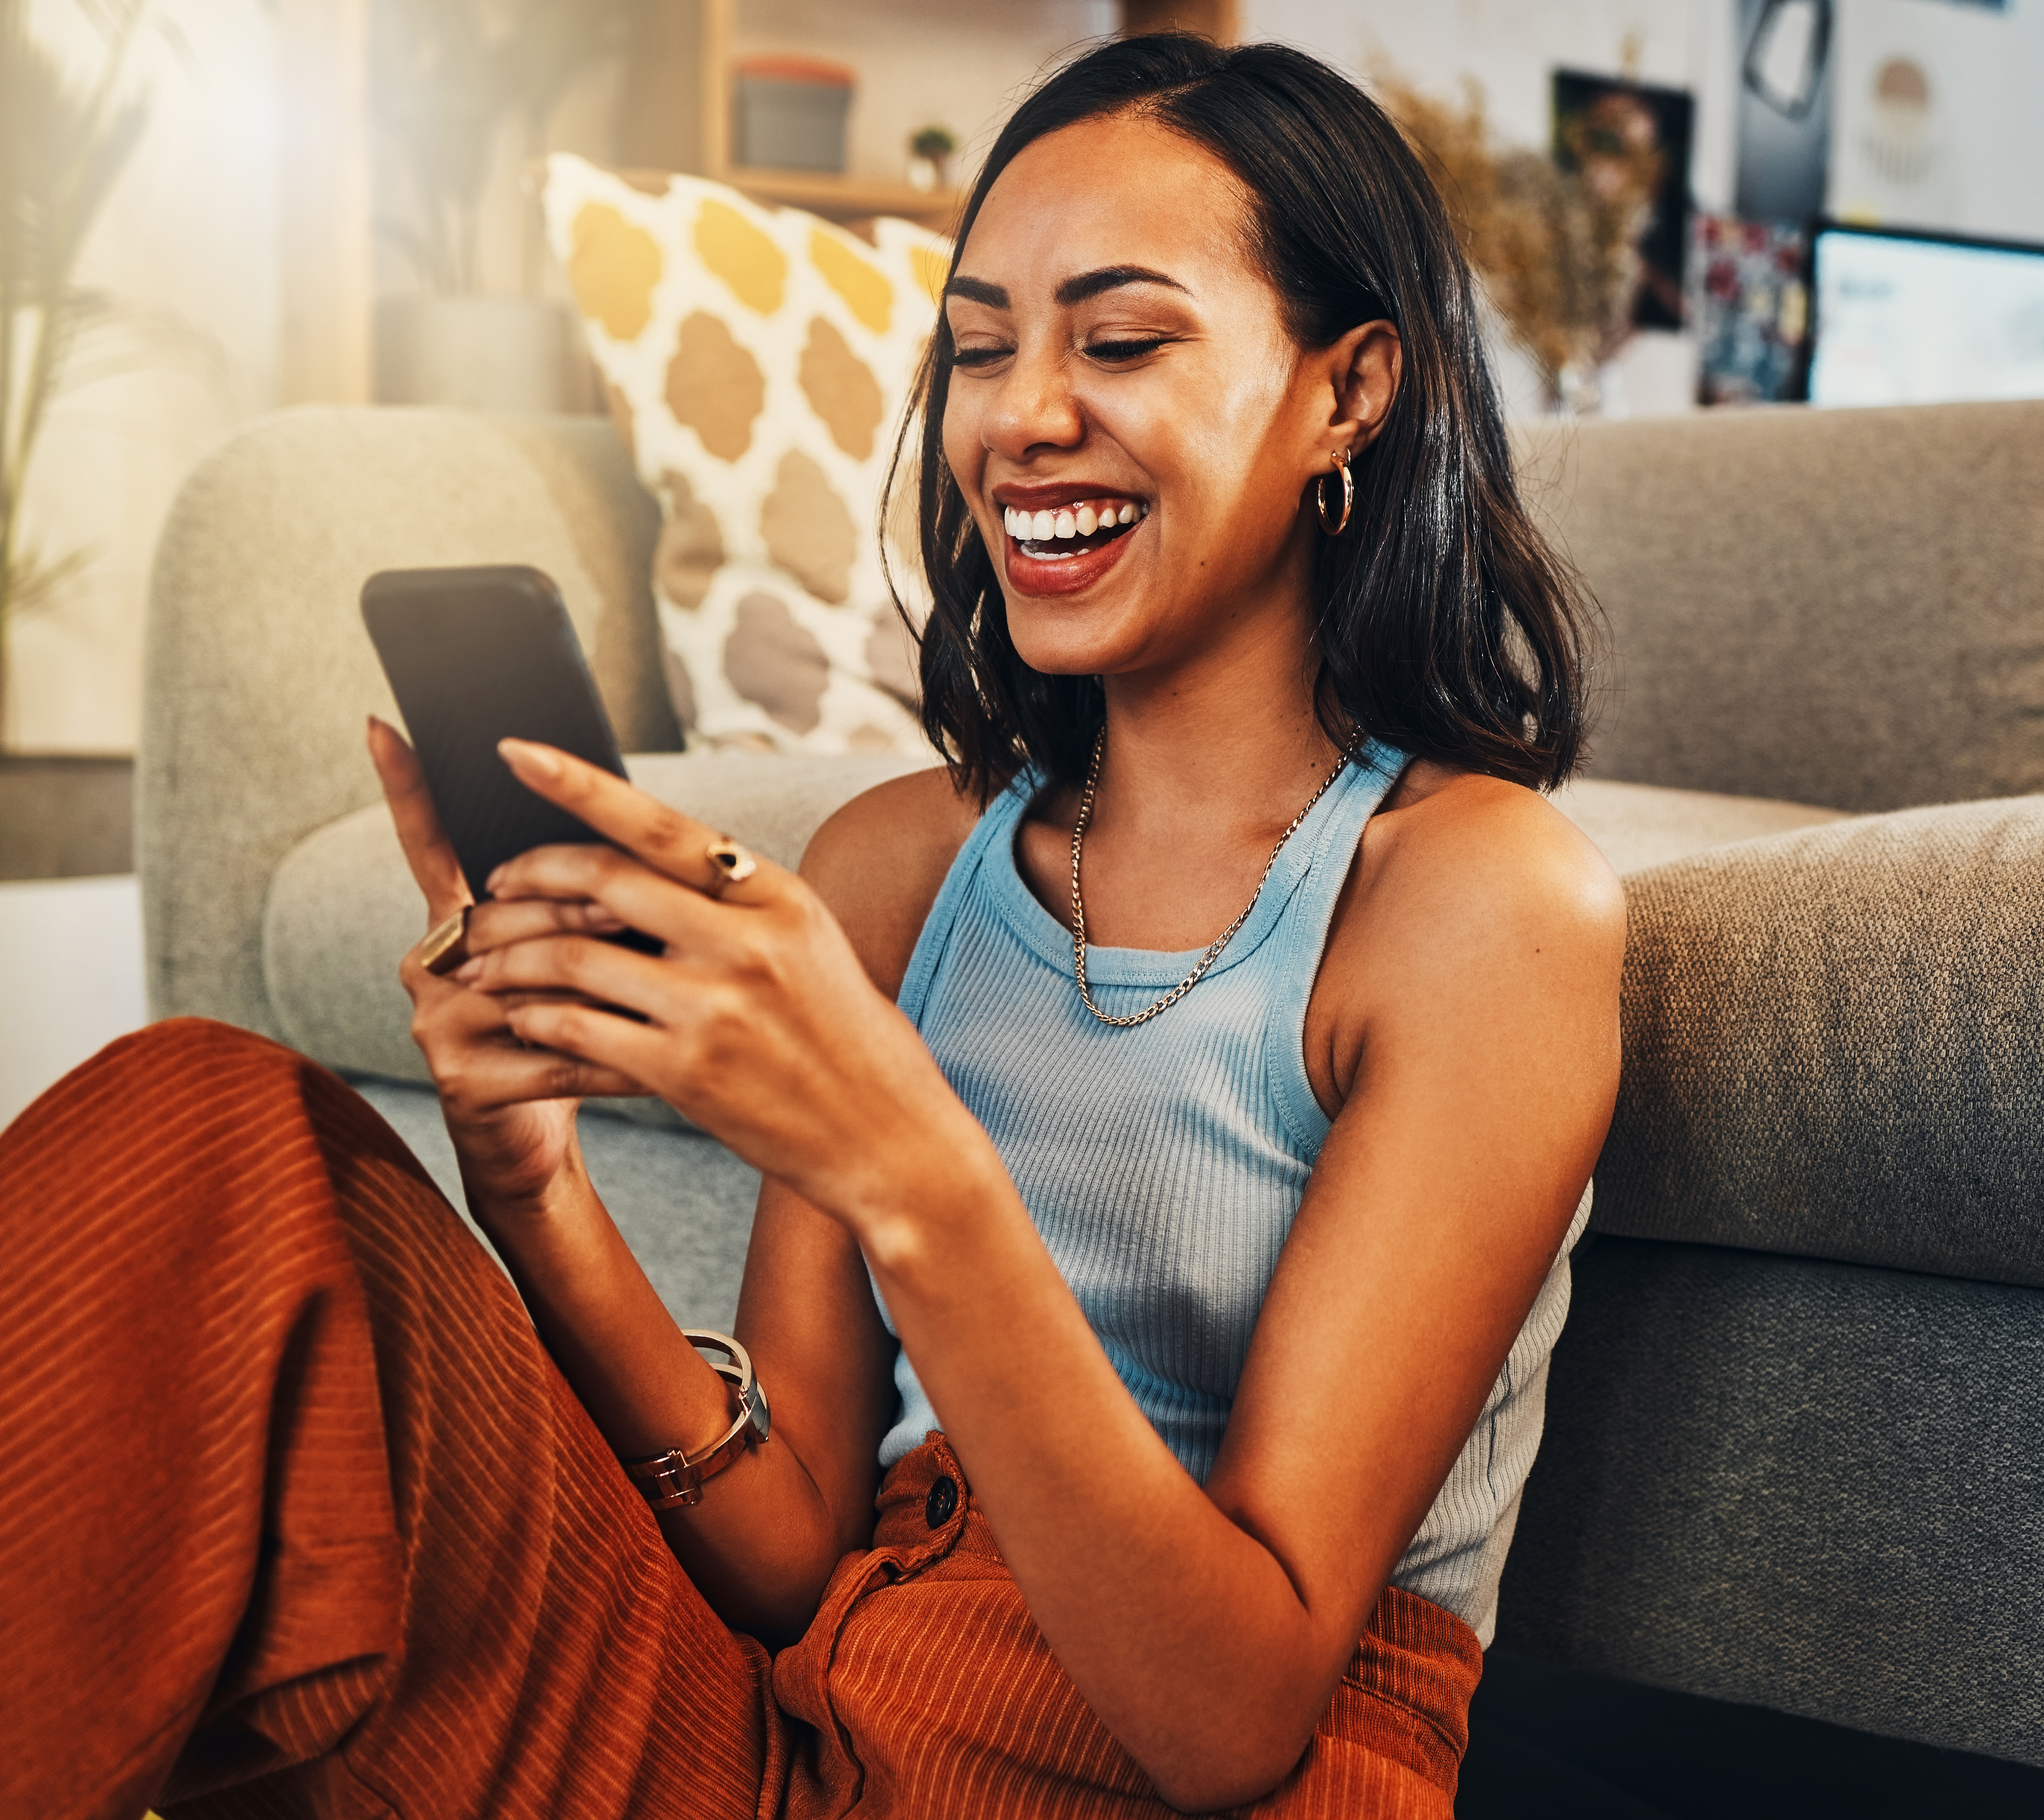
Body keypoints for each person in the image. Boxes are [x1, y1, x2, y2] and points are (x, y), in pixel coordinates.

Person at [1, 33, 1620, 1819]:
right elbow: (785, 1556)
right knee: (215, 1137)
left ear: (1350, 388)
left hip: (1144, 1777)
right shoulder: (898, 870)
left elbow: (1227, 1721)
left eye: (1122, 338)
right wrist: (534, 1191)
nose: (1016, 417)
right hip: (791, 1745)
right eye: (980, 346)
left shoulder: (1470, 905)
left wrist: (909, 1163)